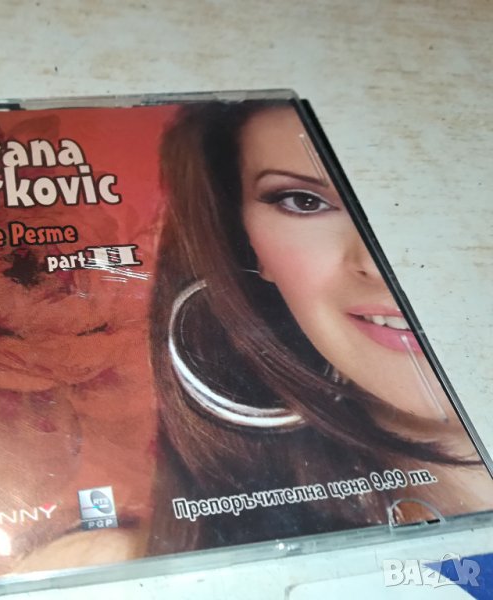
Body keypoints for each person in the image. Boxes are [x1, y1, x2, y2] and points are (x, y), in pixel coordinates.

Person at [147, 100, 493, 554]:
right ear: (249, 245)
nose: (383, 264)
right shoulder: (112, 565)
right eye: (305, 202)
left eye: (442, 196)